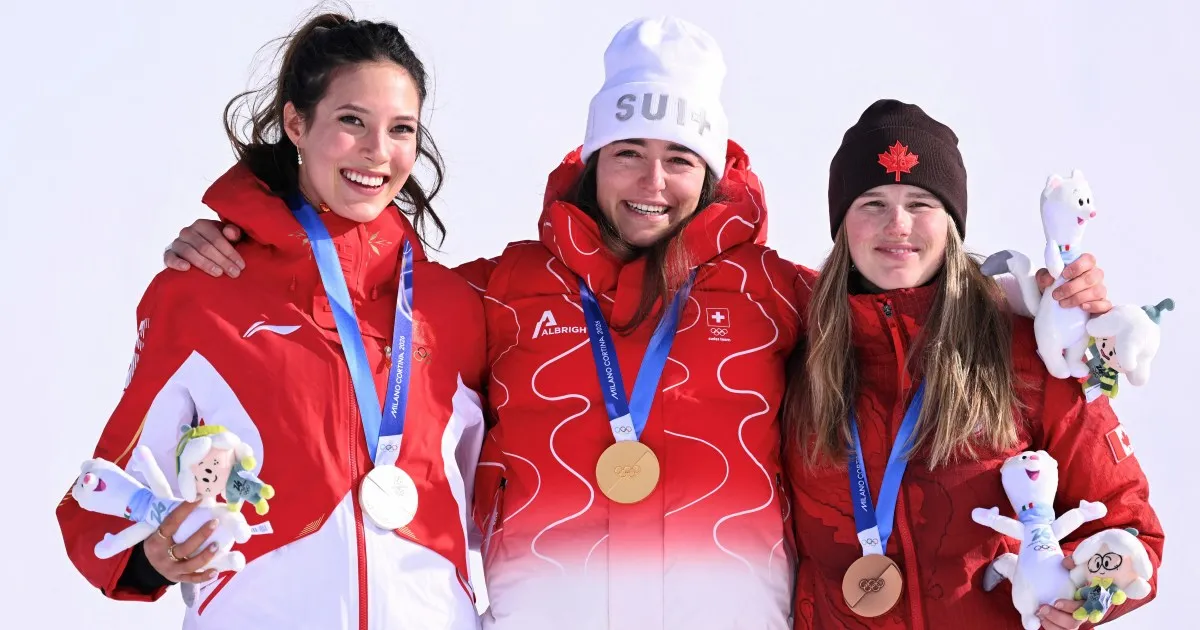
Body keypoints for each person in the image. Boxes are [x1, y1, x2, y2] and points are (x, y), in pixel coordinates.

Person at [56, 13, 487, 630]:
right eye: (351, 121)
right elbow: (101, 497)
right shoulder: (204, 292)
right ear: (295, 124)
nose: (377, 151)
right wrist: (156, 557)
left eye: (401, 129)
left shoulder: (456, 307)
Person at [780, 99, 1163, 630]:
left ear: (952, 223)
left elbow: (1130, 529)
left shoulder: (1027, 351)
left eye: (920, 202)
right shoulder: (790, 351)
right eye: (871, 202)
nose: (897, 224)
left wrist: (1082, 593)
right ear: (841, 223)